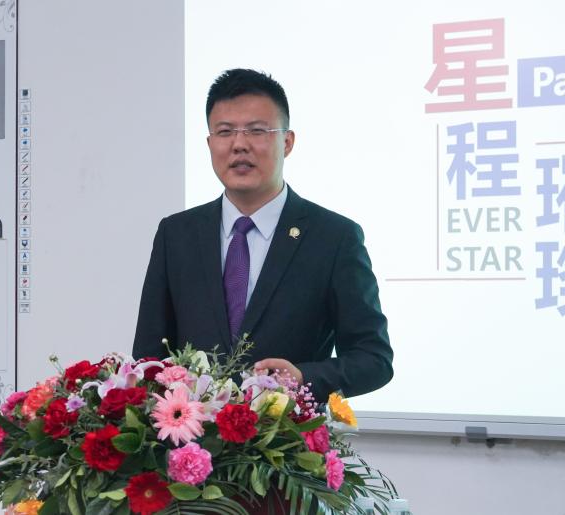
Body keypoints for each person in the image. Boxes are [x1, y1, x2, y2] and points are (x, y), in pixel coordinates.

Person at [133, 68, 392, 402]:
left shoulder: (334, 237)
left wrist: (304, 378)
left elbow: (374, 359)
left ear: (287, 142)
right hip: (192, 434)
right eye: (225, 132)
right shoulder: (177, 234)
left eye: (257, 131)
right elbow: (148, 358)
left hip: (284, 432)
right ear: (210, 143)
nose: (239, 145)